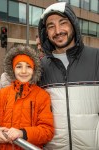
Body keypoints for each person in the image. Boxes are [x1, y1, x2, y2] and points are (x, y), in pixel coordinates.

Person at [38, 2, 99, 150]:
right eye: (51, 26)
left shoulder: (96, 57)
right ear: (46, 32)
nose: (58, 31)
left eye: (63, 23)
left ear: (73, 25)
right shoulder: (39, 67)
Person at [0, 44, 54, 150]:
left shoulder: (42, 96)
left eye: (28, 66)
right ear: (13, 69)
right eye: (19, 66)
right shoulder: (1, 94)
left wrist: (22, 133)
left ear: (34, 69)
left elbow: (47, 131)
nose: (24, 71)